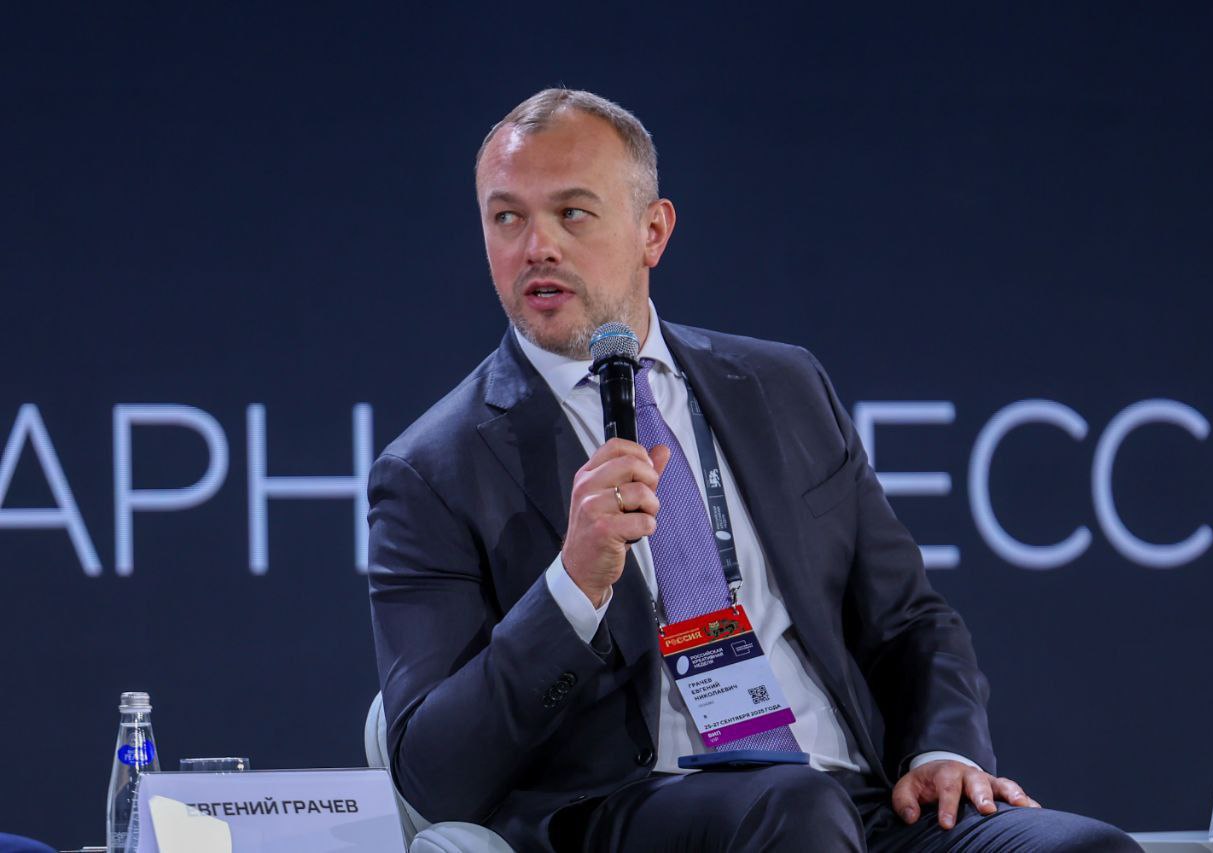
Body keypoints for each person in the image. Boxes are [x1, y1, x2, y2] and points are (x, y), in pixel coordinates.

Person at [367, 88, 1138, 851]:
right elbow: (434, 772)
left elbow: (910, 620)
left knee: (1086, 848)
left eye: (571, 212)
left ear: (652, 230)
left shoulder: (783, 385)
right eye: (507, 217)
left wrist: (942, 749)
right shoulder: (433, 468)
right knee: (795, 809)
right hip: (633, 813)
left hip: (856, 803)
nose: (537, 245)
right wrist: (571, 588)